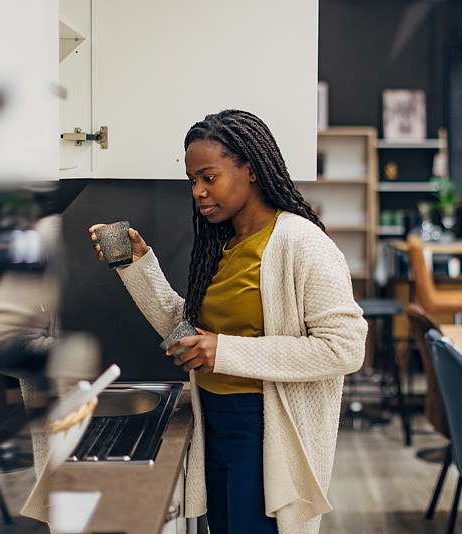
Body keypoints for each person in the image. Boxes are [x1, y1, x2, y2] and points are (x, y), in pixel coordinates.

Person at [89, 109, 367, 534]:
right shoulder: (223, 246)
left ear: (250, 169)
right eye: (192, 181)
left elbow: (345, 347)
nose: (198, 191)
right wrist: (135, 264)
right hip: (213, 422)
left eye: (209, 176)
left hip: (262, 427)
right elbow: (187, 333)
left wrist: (224, 350)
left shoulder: (302, 242)